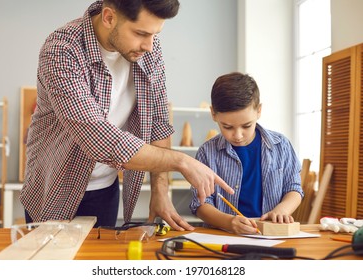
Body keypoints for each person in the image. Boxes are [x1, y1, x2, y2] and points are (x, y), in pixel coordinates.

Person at [20, 0, 233, 230]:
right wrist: (181, 162)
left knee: (97, 265)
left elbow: (158, 121)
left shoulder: (149, 50)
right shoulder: (62, 49)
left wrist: (160, 191)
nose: (149, 46)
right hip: (53, 189)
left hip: (105, 189)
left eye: (155, 34)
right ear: (109, 17)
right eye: (141, 33)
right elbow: (98, 138)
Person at [189, 72, 304, 235]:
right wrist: (229, 222)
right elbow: (200, 204)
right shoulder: (207, 152)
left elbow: (294, 189)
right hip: (224, 236)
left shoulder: (281, 145)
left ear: (259, 111)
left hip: (270, 235)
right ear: (213, 114)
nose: (237, 135)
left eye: (246, 125)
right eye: (227, 127)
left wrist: (282, 209)